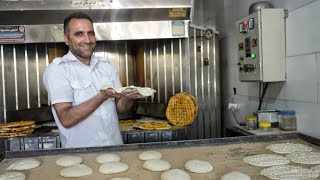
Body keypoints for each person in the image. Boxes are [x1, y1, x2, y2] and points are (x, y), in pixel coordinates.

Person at [43, 12, 144, 148]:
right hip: (82, 157)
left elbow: (121, 108)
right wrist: (102, 96)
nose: (88, 40)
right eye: (79, 34)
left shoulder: (106, 65)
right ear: (67, 39)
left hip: (115, 149)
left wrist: (128, 97)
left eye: (90, 33)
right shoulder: (57, 70)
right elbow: (66, 119)